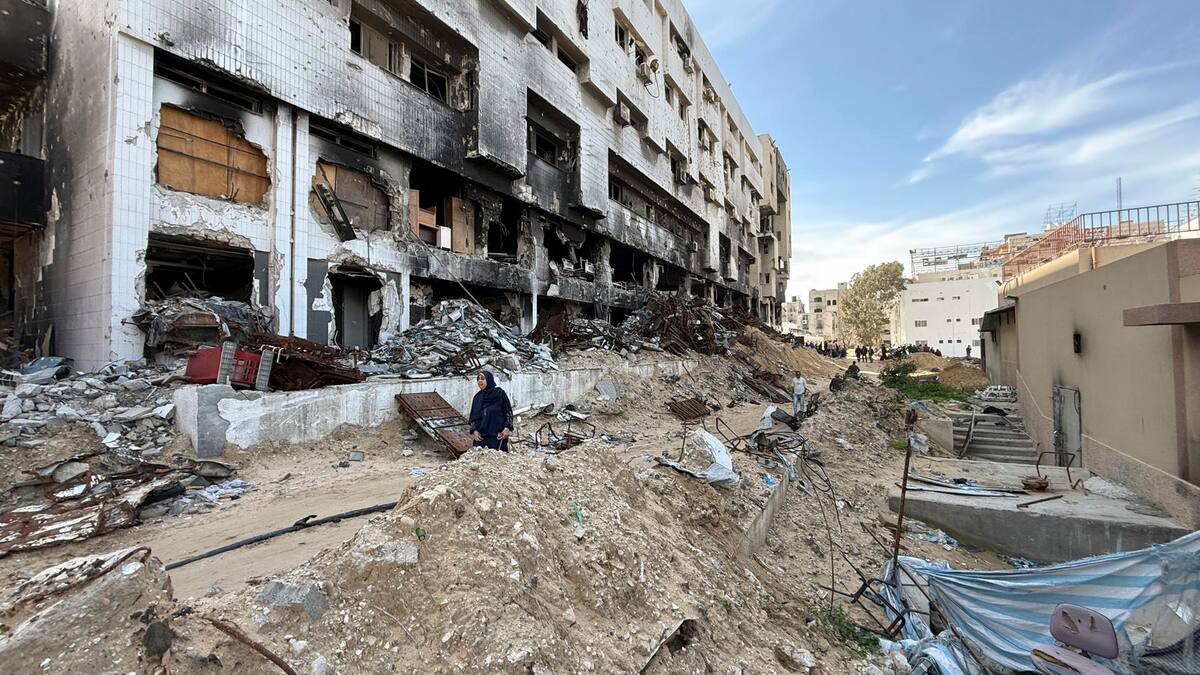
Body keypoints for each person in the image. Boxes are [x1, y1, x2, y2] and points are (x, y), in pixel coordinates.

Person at [469, 370, 513, 451]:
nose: (480, 381)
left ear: (489, 379)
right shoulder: (477, 398)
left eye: (482, 378)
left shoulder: (499, 394)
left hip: (497, 438)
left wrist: (507, 428)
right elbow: (473, 417)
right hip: (481, 439)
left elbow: (508, 412)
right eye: (478, 379)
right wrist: (474, 431)